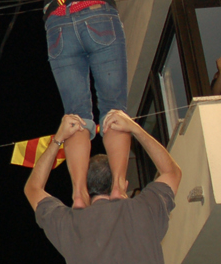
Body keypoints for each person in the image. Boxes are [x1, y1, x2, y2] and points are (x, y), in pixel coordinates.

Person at [28, 0, 134, 208]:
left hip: (57, 22)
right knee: (114, 106)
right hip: (95, 11)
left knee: (75, 114)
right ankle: (117, 188)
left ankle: (77, 195)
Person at [25, 111, 181, 264]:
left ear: (84, 188)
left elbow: (32, 188)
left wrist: (58, 139)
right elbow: (172, 172)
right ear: (123, 185)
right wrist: (135, 129)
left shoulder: (69, 226)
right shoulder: (146, 209)